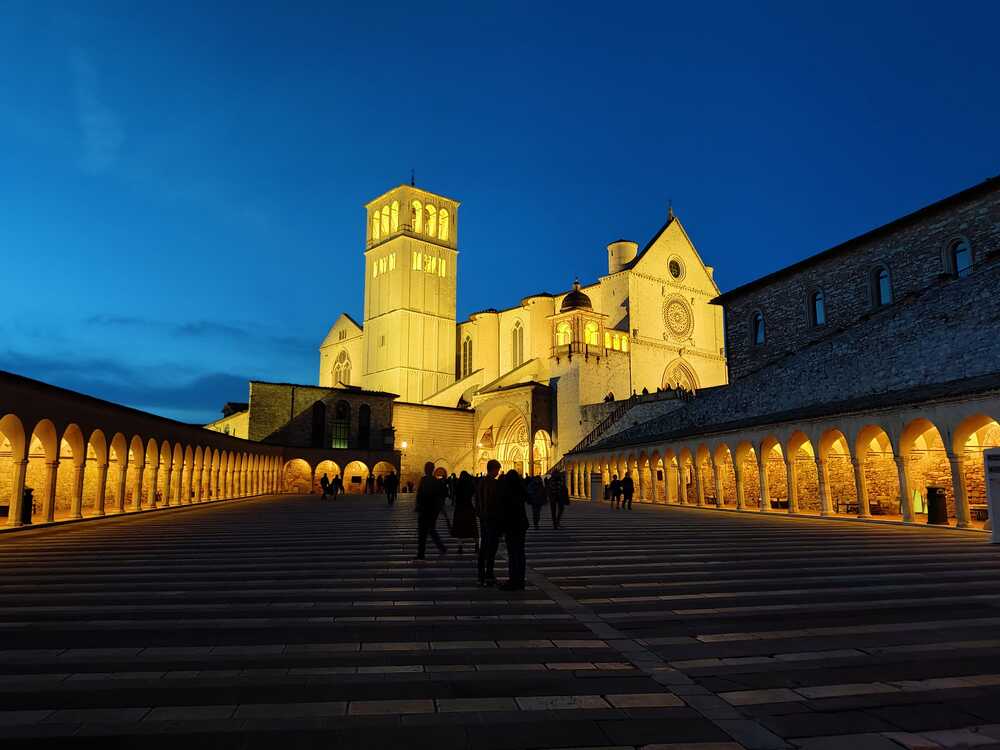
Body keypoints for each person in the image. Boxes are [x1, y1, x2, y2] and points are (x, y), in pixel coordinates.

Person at [498, 469, 529, 591]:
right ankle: (520, 580)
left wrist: (501, 529)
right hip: (521, 525)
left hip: (511, 526)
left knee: (512, 553)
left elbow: (503, 511)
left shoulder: (506, 492)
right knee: (520, 553)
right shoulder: (521, 490)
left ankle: (513, 580)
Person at [476, 460, 503, 587]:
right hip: (491, 520)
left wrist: (481, 514)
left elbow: (477, 502)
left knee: (484, 548)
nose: (498, 472)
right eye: (497, 470)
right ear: (493, 469)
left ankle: (482, 575)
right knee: (491, 549)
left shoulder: (481, 482)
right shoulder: (493, 483)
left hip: (484, 519)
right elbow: (495, 503)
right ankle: (489, 574)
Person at [414, 461, 447, 560]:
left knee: (423, 532)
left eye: (426, 468)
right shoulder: (436, 481)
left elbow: (420, 494)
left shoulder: (424, 480)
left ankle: (421, 554)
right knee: (430, 530)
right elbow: (441, 495)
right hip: (431, 510)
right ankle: (440, 548)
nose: (425, 469)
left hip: (425, 510)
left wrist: (418, 505)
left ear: (428, 469)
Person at [451, 471, 479, 555]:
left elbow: (454, 495)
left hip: (459, 509)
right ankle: (476, 545)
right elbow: (474, 495)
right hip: (468, 508)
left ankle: (460, 547)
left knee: (460, 529)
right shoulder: (470, 485)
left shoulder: (458, 485)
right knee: (473, 529)